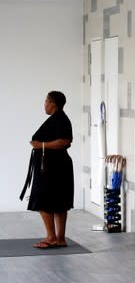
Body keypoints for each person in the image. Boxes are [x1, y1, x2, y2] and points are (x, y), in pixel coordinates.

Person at [25, 91, 74, 249]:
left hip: (53, 167)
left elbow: (65, 141)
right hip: (54, 166)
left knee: (43, 201)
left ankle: (52, 237)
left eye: (46, 101)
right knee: (59, 202)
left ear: (53, 103)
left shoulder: (61, 119)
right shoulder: (57, 119)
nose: (44, 104)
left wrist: (42, 145)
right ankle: (60, 238)